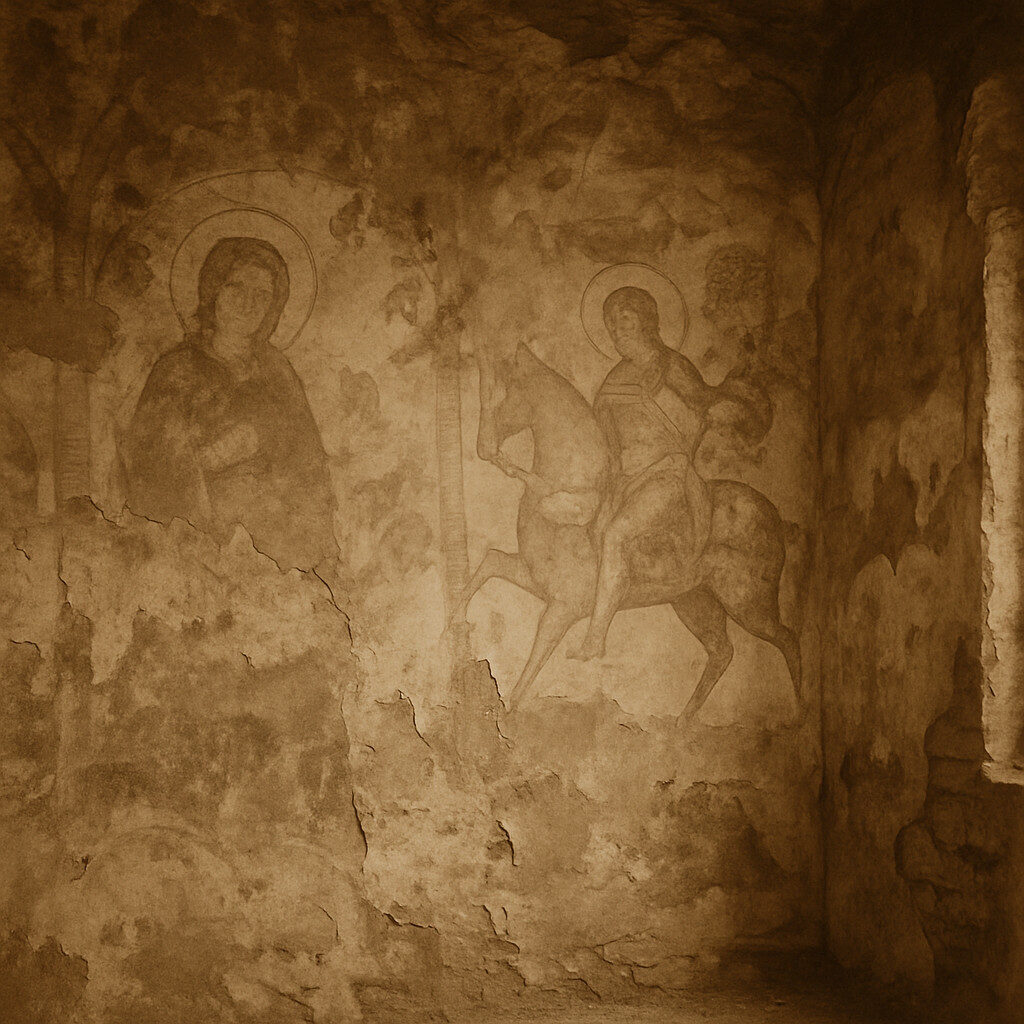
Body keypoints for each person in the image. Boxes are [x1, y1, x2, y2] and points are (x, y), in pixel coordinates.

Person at [567, 285, 770, 661]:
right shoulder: (613, 380)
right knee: (591, 532)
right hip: (625, 481)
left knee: (615, 535)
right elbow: (603, 438)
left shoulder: (671, 366)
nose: (618, 334)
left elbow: (703, 410)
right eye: (612, 329)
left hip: (667, 476)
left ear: (648, 324)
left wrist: (678, 454)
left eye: (625, 325)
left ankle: (596, 636)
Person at [125, 236, 336, 571]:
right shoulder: (175, 371)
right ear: (214, 293)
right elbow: (148, 468)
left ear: (273, 307)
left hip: (276, 544)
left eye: (261, 295)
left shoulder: (278, 373)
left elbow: (309, 465)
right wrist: (214, 457)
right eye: (236, 288)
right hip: (202, 545)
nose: (247, 303)